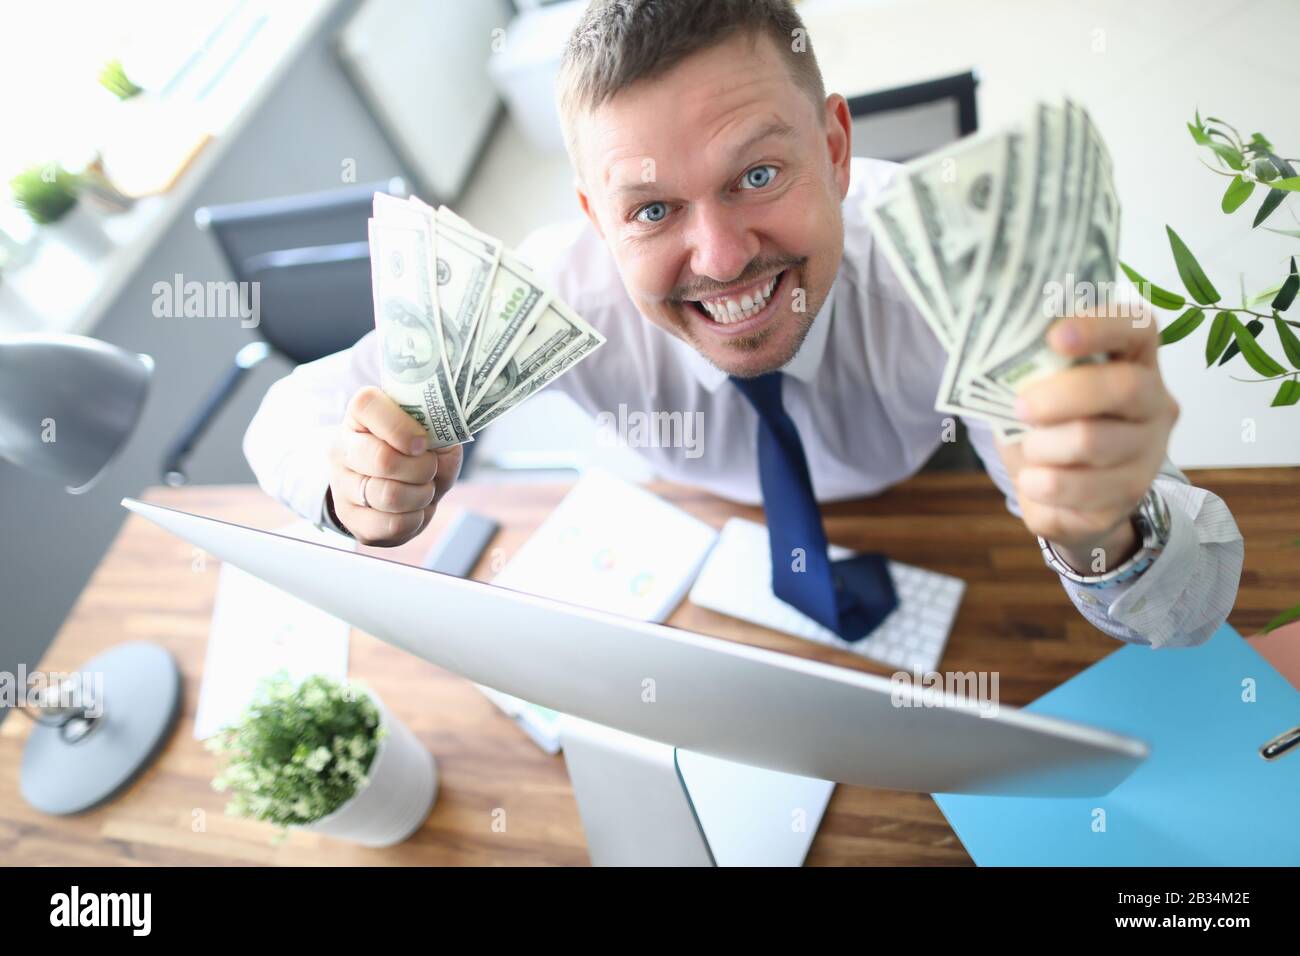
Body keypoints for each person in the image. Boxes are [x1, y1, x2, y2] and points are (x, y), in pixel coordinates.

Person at [244, 0, 1242, 649]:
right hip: (699, 539)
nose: (720, 258)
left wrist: (1112, 527)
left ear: (836, 148)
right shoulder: (562, 290)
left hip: (929, 507)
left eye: (757, 175)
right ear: (595, 220)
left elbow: (1198, 607)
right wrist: (349, 476)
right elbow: (290, 410)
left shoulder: (958, 277)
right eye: (651, 209)